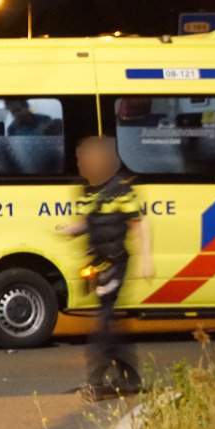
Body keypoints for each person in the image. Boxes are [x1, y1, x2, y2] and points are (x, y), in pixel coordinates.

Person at [60, 136, 154, 400]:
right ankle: (130, 378)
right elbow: (89, 221)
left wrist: (147, 259)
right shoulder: (88, 191)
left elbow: (139, 224)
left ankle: (97, 380)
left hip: (116, 263)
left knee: (102, 323)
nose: (80, 165)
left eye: (83, 160)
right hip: (99, 265)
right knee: (110, 321)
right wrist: (72, 230)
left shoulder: (121, 189)